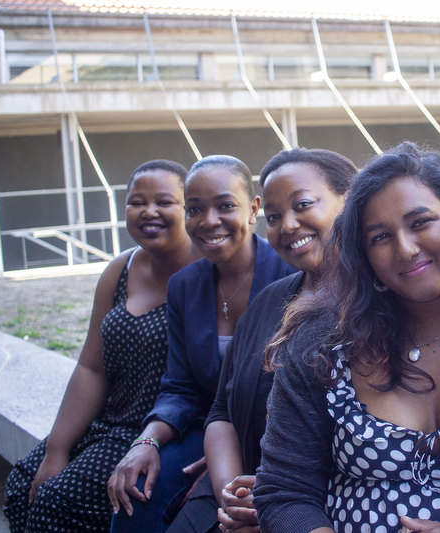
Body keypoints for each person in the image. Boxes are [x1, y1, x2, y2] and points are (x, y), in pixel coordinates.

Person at [253, 142, 440, 532]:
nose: (406, 249)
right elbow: (283, 491)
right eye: (380, 237)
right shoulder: (323, 344)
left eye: (420, 223)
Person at [3, 159, 199, 532]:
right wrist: (56, 450)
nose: (148, 211)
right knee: (21, 487)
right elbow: (91, 367)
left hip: (157, 430)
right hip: (107, 422)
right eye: (136, 201)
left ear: (188, 208)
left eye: (164, 201)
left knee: (58, 501)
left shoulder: (206, 272)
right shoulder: (120, 269)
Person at [107, 155, 295, 533]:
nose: (209, 221)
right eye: (195, 209)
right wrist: (146, 442)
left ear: (253, 209)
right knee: (135, 503)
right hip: (207, 433)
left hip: (276, 441)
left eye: (225, 206)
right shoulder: (185, 286)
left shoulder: (290, 273)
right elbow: (180, 387)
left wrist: (227, 453)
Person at [184, 148, 356, 532]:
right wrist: (232, 495)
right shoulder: (268, 303)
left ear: (351, 200)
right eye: (274, 217)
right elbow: (221, 412)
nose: (288, 226)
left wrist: (280, 512)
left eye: (303, 205)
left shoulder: (380, 305)